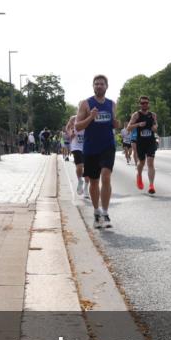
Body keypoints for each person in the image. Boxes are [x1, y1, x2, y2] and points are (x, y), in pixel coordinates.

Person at [75, 75, 119, 229]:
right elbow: (78, 127)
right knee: (94, 181)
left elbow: (115, 123)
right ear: (93, 86)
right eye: (96, 84)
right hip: (91, 147)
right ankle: (96, 212)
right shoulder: (86, 104)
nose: (99, 86)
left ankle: (105, 213)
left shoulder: (112, 104)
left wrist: (116, 123)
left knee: (106, 177)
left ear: (107, 86)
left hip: (107, 146)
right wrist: (90, 117)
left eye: (102, 84)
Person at [127, 96, 159, 194]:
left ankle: (151, 185)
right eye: (142, 103)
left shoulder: (153, 115)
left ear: (148, 104)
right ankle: (139, 175)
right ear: (139, 104)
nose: (144, 104)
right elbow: (128, 127)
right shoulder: (136, 115)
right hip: (140, 142)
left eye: (146, 103)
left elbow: (156, 125)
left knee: (150, 162)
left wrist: (155, 127)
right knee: (141, 162)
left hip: (150, 141)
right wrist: (138, 124)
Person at [65, 114, 87, 195]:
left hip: (86, 147)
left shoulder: (88, 116)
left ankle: (86, 188)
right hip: (76, 147)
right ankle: (80, 180)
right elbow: (67, 127)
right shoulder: (73, 118)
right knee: (79, 166)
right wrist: (70, 133)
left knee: (88, 168)